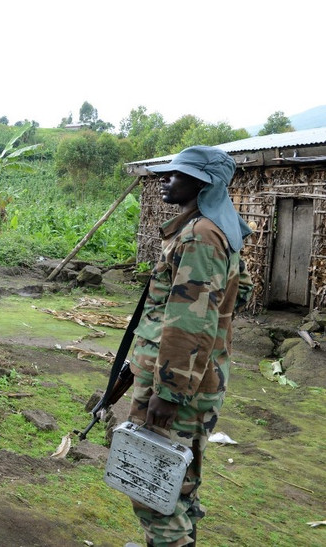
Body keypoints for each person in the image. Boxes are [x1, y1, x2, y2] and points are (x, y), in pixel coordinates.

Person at [124, 146, 253, 547]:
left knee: (150, 480)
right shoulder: (220, 228)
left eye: (176, 175)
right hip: (202, 375)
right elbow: (240, 292)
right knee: (178, 477)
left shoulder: (200, 235)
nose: (166, 180)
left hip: (180, 384)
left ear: (203, 183)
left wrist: (169, 390)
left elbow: (190, 321)